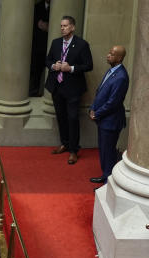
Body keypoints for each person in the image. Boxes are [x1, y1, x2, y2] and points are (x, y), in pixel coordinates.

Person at [45, 15, 93, 165]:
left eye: (65, 26)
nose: (62, 28)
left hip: (73, 88)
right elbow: (48, 60)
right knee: (61, 117)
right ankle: (64, 143)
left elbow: (88, 65)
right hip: (57, 87)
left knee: (72, 118)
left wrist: (70, 68)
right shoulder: (56, 43)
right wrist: (54, 65)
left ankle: (73, 150)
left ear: (72, 27)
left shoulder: (82, 44)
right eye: (61, 26)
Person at [89, 46, 128, 186]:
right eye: (109, 52)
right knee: (104, 150)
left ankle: (108, 185)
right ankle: (105, 175)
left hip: (111, 121)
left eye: (112, 54)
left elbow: (113, 102)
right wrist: (92, 108)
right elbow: (100, 92)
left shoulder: (121, 77)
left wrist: (97, 113)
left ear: (120, 58)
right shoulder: (111, 71)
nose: (108, 55)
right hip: (103, 119)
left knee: (109, 152)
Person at [30, 1, 51, 96]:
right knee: (36, 71)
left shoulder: (55, 8)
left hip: (50, 45)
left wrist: (47, 27)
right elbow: (34, 25)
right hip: (37, 46)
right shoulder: (37, 7)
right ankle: (34, 92)